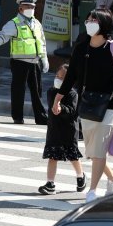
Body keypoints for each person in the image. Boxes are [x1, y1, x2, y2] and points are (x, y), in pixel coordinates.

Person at [52, 8, 113, 203]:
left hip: (110, 106)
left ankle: (92, 191)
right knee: (92, 152)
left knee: (99, 150)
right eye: (88, 18)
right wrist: (58, 99)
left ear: (104, 25)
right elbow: (71, 75)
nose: (89, 22)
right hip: (87, 105)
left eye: (93, 19)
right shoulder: (81, 48)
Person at [0, 0, 49, 125]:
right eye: (28, 6)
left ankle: (41, 117)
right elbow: (2, 36)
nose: (31, 9)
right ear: (20, 8)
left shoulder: (36, 23)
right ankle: (18, 117)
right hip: (20, 62)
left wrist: (44, 58)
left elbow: (41, 42)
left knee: (37, 91)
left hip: (34, 62)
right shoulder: (14, 23)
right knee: (18, 90)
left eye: (32, 7)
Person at [38, 64, 86, 195]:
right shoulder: (51, 91)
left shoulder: (73, 94)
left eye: (62, 77)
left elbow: (72, 111)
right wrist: (56, 105)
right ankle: (50, 183)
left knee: (73, 156)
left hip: (69, 131)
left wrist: (62, 108)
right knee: (53, 157)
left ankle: (80, 176)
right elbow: (52, 105)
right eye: (57, 76)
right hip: (54, 130)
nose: (58, 79)